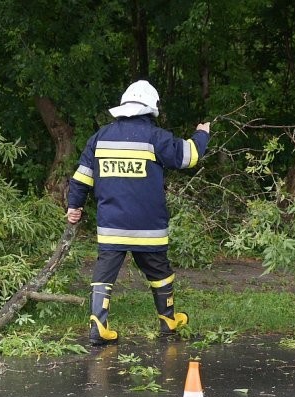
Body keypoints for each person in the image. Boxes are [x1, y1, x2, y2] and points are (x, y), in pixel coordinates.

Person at [66, 80, 211, 346]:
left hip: (111, 225)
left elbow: (81, 178)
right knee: (159, 271)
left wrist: (74, 206)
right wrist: (202, 133)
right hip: (149, 226)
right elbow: (188, 157)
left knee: (104, 274)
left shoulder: (100, 137)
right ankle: (168, 320)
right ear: (151, 108)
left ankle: (99, 323)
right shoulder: (156, 137)